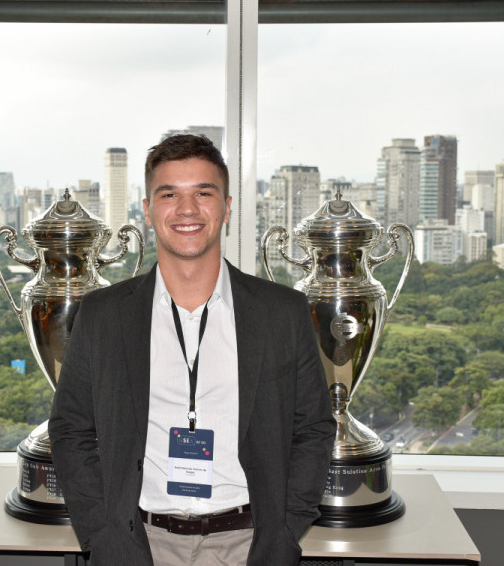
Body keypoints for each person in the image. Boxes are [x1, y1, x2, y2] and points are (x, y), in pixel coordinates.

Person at [48, 134, 335, 566]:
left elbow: (312, 428)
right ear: (147, 210)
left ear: (227, 206)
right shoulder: (104, 315)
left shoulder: (281, 313)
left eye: (204, 193)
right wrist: (101, 534)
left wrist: (286, 529)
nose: (187, 210)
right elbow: (71, 431)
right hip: (138, 545)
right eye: (169, 195)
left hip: (250, 545)